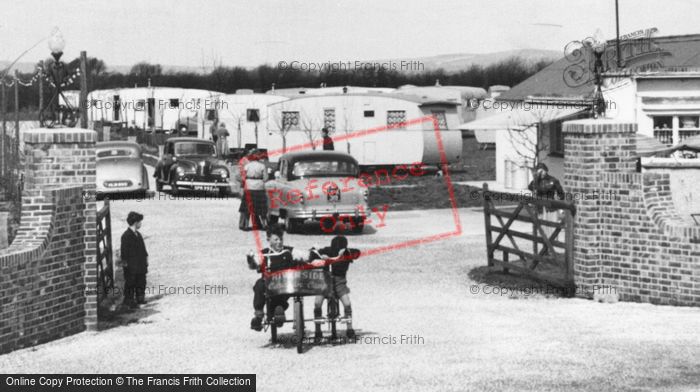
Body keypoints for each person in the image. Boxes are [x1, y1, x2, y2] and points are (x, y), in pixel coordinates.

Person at [246, 223, 311, 331]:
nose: (279, 242)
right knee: (259, 285)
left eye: (281, 239)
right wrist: (250, 259)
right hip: (269, 283)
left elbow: (304, 255)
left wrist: (311, 254)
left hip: (286, 283)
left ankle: (278, 310)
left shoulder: (289, 251)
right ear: (268, 240)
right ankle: (259, 315)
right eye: (276, 240)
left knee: (283, 294)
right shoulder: (265, 254)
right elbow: (254, 264)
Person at [313, 235, 360, 340]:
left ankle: (350, 328)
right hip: (324, 281)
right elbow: (313, 253)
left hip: (340, 282)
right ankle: (318, 330)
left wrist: (346, 251)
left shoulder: (347, 253)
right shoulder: (327, 250)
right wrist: (317, 252)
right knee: (317, 302)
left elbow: (357, 253)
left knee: (347, 303)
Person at [528, 162, 565, 238]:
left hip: (551, 207)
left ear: (546, 170)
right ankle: (545, 243)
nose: (541, 173)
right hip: (540, 207)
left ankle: (553, 242)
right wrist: (536, 178)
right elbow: (530, 187)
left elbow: (561, 193)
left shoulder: (553, 180)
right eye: (539, 171)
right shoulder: (536, 181)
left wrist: (560, 205)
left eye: (542, 171)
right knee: (542, 227)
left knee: (552, 225)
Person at [120, 212, 148, 309]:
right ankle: (129, 301)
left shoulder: (138, 235)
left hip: (140, 264)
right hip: (131, 266)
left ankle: (140, 298)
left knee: (141, 281)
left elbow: (143, 249)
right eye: (140, 222)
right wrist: (125, 266)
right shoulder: (126, 236)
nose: (140, 224)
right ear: (135, 222)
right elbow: (123, 253)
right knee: (131, 283)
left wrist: (146, 259)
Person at [239, 149, 268, 230]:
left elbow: (243, 178)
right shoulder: (262, 166)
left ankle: (246, 225)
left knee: (247, 207)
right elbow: (266, 178)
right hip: (259, 186)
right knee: (261, 208)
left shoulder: (247, 166)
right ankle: (264, 224)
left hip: (249, 186)